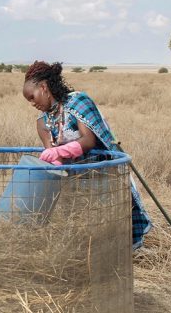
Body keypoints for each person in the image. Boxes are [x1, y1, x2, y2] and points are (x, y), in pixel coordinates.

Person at [22, 60, 152, 249]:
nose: (32, 103)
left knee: (107, 224)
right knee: (80, 230)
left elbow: (89, 140)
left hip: (102, 175)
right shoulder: (42, 122)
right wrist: (53, 162)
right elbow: (52, 155)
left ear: (43, 87)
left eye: (32, 97)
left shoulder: (77, 102)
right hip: (73, 181)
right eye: (29, 101)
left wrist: (60, 150)